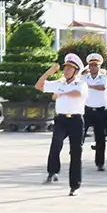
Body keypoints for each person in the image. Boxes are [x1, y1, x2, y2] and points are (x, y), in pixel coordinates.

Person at [37, 53, 86, 194]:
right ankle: (52, 172)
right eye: (65, 68)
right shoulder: (60, 83)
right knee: (56, 144)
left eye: (70, 69)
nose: (66, 71)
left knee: (76, 152)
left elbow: (77, 93)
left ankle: (74, 185)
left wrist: (61, 93)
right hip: (61, 120)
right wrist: (48, 73)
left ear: (76, 72)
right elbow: (39, 86)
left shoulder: (81, 83)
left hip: (76, 120)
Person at [78, 53, 107, 171]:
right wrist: (91, 85)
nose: (93, 67)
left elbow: (103, 87)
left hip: (100, 110)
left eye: (95, 65)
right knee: (79, 137)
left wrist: (89, 86)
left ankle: (100, 163)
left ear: (99, 66)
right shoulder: (84, 78)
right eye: (91, 65)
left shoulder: (104, 77)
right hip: (86, 110)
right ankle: (77, 160)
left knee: (100, 138)